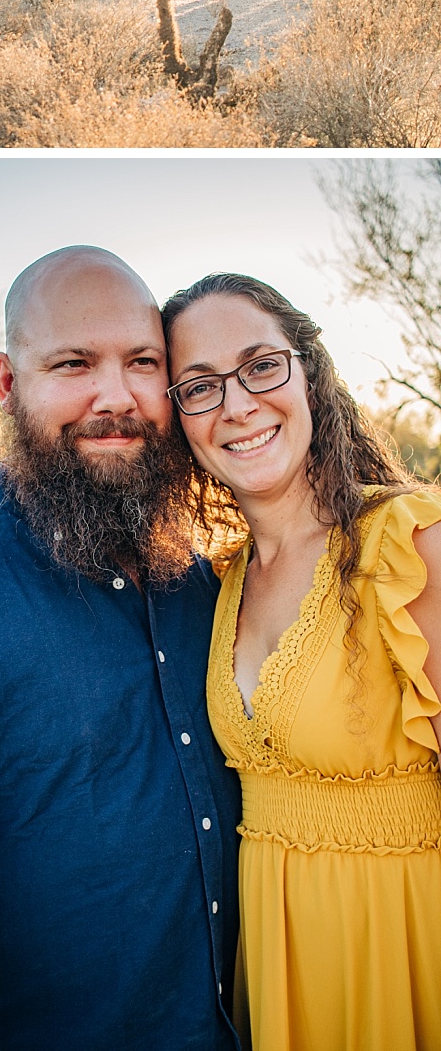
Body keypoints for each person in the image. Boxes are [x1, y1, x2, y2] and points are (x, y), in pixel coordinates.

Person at [0, 245, 241, 1051]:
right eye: (73, 363)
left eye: (142, 362)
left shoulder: (202, 583)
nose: (117, 395)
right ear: (7, 381)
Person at [164, 271, 441, 1051]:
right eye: (199, 386)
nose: (238, 405)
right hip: (275, 971)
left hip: (404, 949)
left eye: (261, 365)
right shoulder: (219, 583)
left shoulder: (410, 546)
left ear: (308, 374)